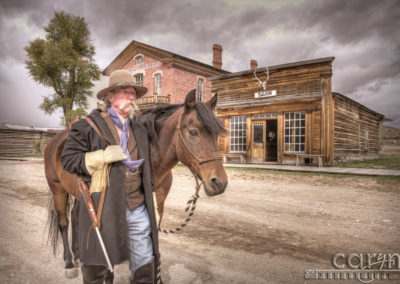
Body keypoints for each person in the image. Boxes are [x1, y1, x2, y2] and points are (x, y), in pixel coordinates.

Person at [61, 69, 160, 284]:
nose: (132, 97)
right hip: (103, 207)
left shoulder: (140, 128)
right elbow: (68, 160)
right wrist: (101, 157)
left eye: (134, 93)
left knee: (144, 261)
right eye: (126, 92)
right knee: (99, 262)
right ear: (110, 96)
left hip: (137, 206)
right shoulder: (88, 126)